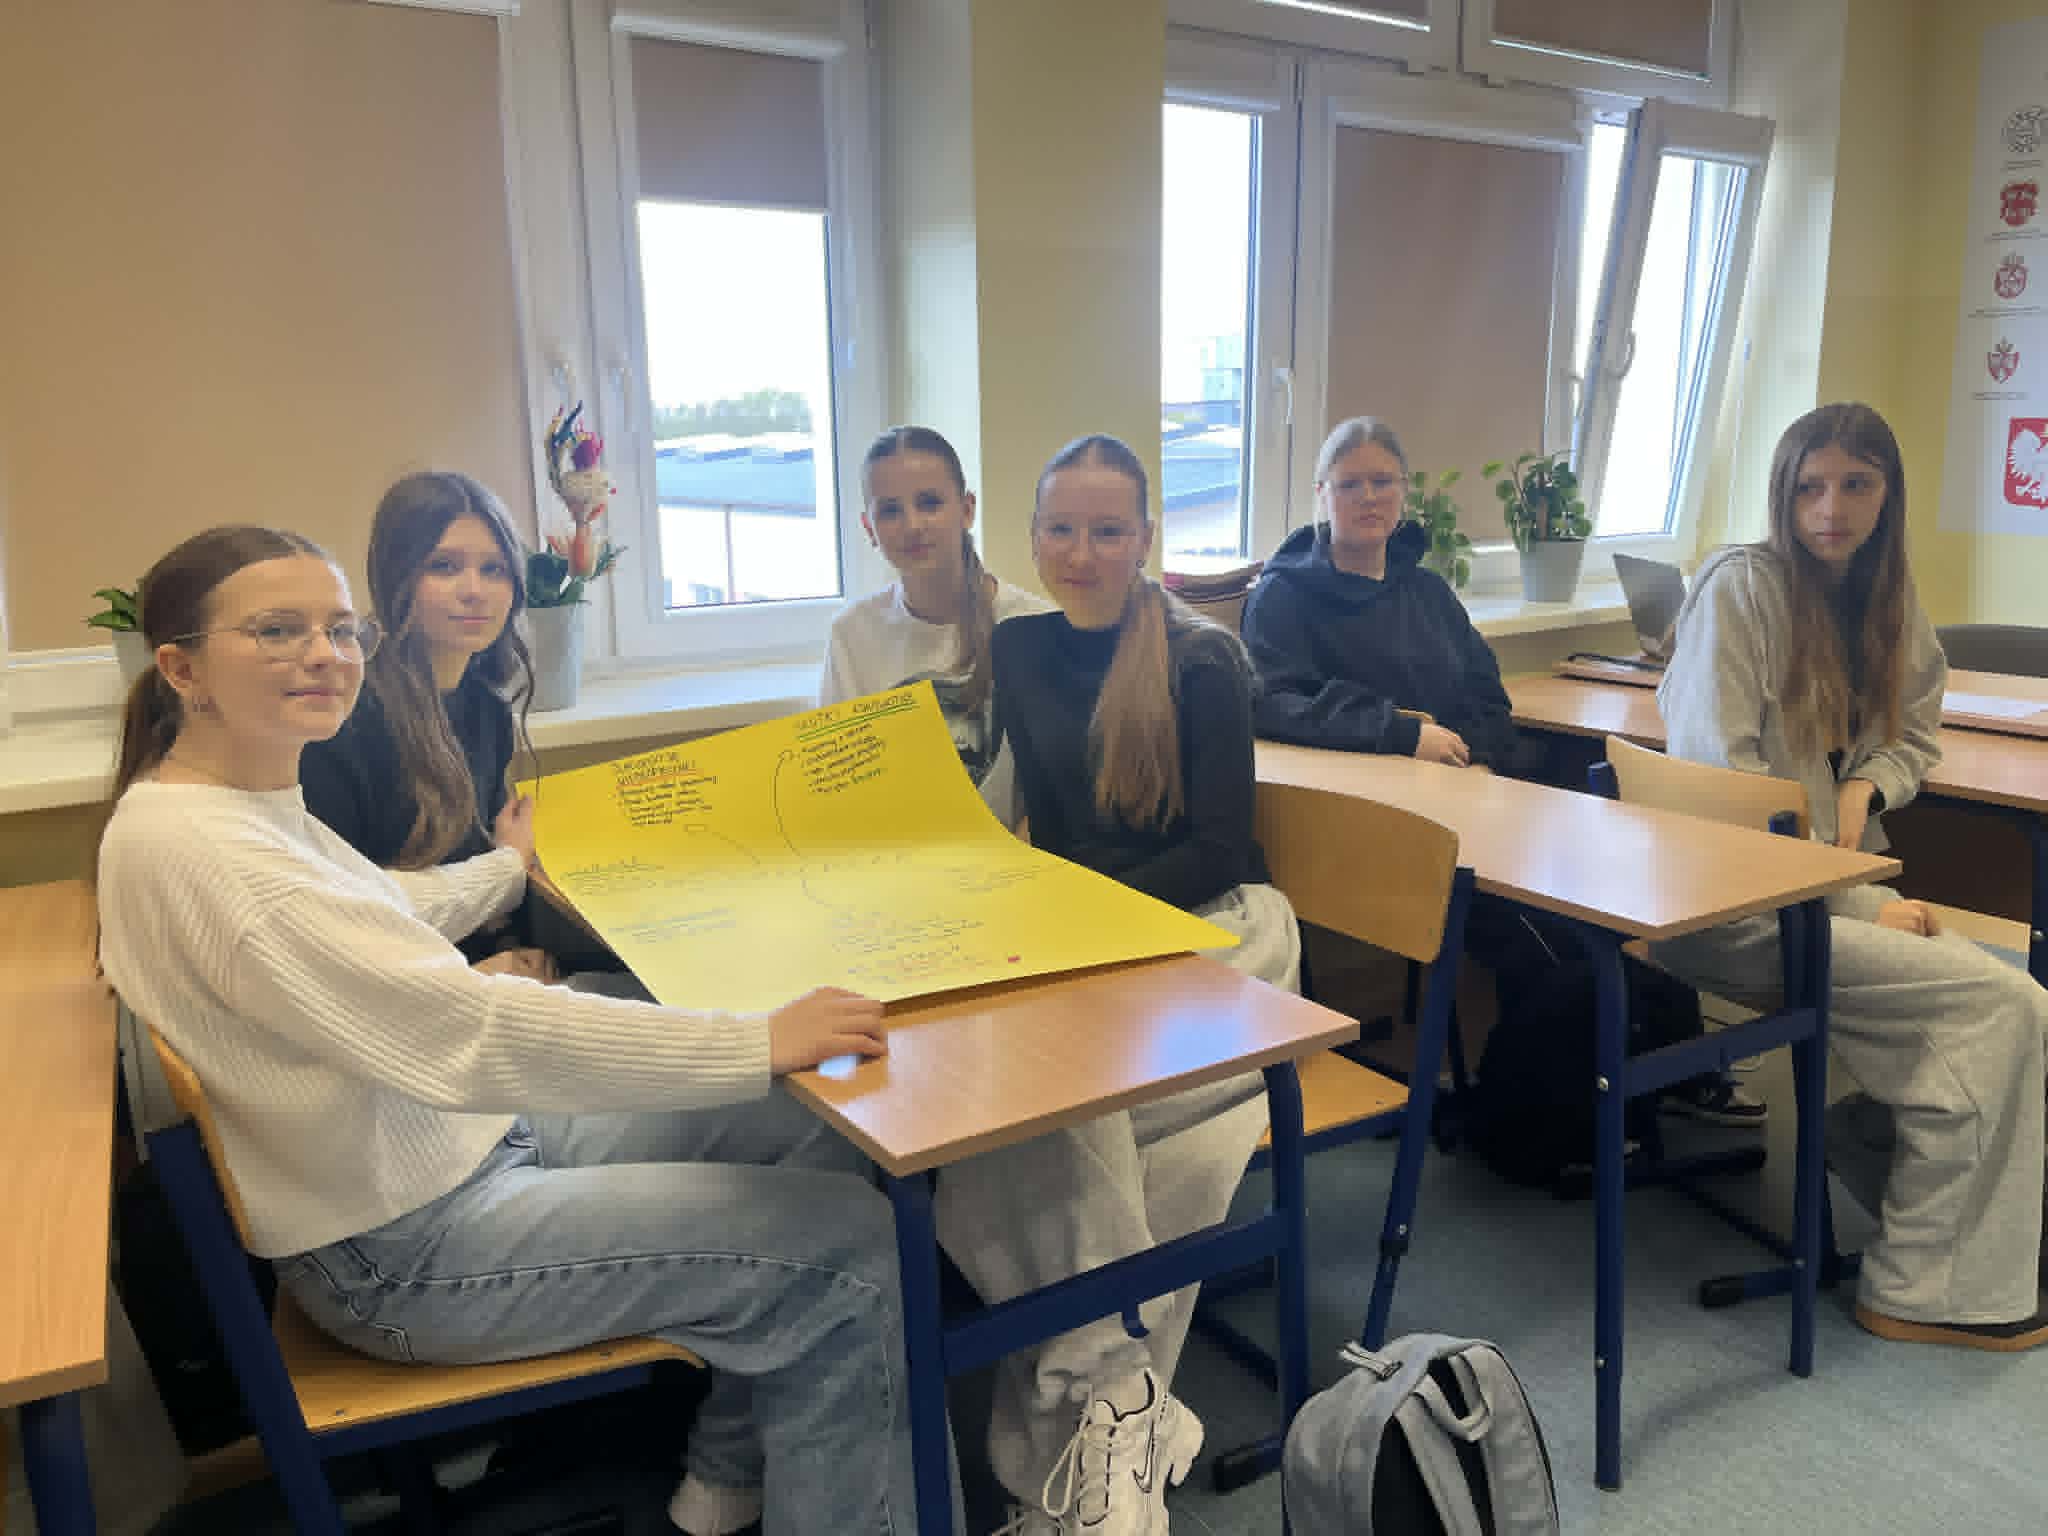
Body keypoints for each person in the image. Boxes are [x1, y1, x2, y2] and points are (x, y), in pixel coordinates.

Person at [94, 525, 954, 1533]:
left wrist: (507, 868)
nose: (324, 655)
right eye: (278, 631)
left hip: (450, 1155)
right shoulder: (213, 855)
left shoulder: (221, 801)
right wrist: (751, 1040)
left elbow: (381, 910)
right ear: (182, 669)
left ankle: (727, 1475)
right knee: (849, 1255)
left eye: (338, 628)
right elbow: (473, 1032)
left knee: (817, 1124)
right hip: (403, 1251)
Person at [955, 434, 1298, 1536]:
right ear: (1029, 538)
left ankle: (1058, 1456)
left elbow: (1217, 849)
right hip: (1090, 935)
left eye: (1108, 530)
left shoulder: (1203, 660)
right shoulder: (1018, 646)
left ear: (1145, 539)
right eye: (1060, 528)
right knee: (1003, 1117)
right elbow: (1036, 820)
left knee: (1062, 1113)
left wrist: (1080, 920)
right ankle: (1121, 1393)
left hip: (1217, 930)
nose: (1082, 551)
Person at [1654, 402, 2048, 1349]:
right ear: (1783, 495)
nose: (1831, 509)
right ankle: (1921, 1288)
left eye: (1856, 485)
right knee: (2007, 1006)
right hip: (1735, 906)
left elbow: (1915, 733)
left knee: (2008, 995)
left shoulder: (1885, 600)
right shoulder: (1743, 590)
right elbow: (1726, 804)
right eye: (1811, 487)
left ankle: (1894, 1174)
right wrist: (1856, 901)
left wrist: (1867, 785)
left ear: (1887, 494)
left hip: (1818, 887)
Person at [300, 471, 551, 974]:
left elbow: (485, 873)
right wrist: (475, 977)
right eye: (444, 566)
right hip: (401, 983)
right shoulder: (345, 718)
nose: (475, 591)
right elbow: (335, 921)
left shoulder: (487, 711)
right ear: (397, 577)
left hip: (481, 963)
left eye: (494, 569)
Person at [1241, 416, 1516, 770]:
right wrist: (1403, 736)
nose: (1368, 497)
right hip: (1353, 787)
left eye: (1382, 482)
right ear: (1322, 494)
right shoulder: (1282, 596)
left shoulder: (1430, 592)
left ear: (1403, 490)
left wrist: (1482, 762)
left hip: (1463, 779)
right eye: (1349, 485)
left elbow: (1487, 697)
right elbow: (1273, 705)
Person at [820, 426, 1051, 827]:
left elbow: (1056, 793)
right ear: (869, 528)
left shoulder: (1036, 626)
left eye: (929, 503)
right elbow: (842, 790)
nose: (912, 525)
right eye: (890, 510)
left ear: (967, 510)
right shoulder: (851, 635)